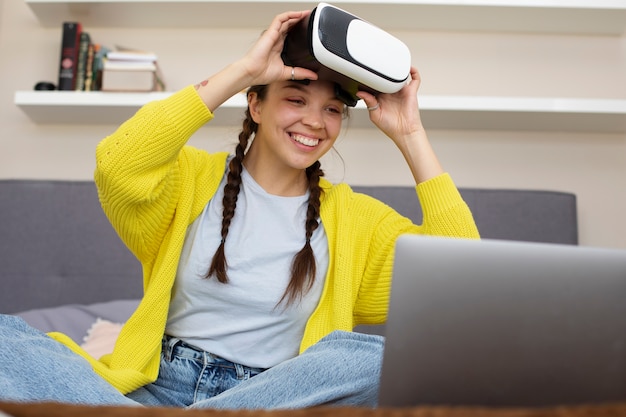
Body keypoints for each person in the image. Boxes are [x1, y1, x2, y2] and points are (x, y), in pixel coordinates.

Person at [0, 9, 479, 409]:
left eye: (333, 109)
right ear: (255, 104)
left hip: (270, 399)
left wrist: (411, 132)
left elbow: (460, 282)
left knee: (374, 359)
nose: (315, 121)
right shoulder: (189, 179)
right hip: (156, 389)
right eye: (295, 99)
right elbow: (119, 162)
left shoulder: (357, 221)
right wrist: (244, 71)